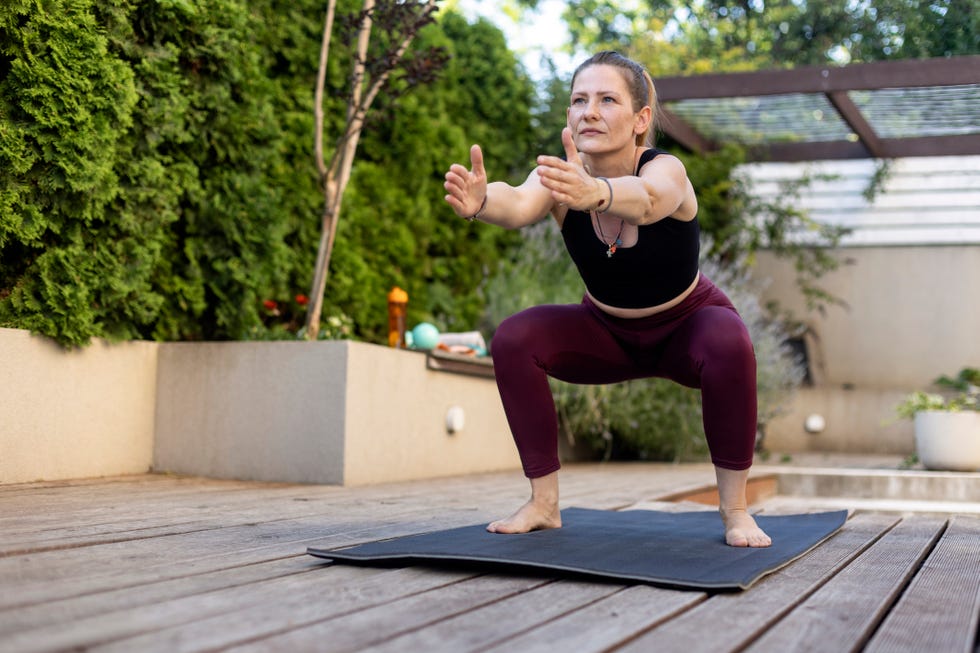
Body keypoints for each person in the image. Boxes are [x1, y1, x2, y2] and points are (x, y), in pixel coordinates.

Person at [443, 51, 771, 548]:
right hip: (607, 332)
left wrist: (595, 192)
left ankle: (736, 510)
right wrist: (482, 202)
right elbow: (520, 201)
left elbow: (650, 199)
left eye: (607, 100)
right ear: (569, 115)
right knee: (514, 337)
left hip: (687, 329)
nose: (589, 112)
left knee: (729, 338)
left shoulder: (666, 169)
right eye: (579, 100)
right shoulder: (563, 177)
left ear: (640, 119)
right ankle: (544, 504)